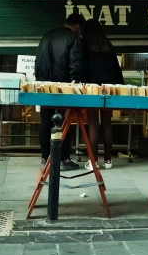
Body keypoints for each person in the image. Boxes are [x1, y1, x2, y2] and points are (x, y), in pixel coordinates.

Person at [35, 13, 85, 170]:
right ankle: (64, 158)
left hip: (43, 84)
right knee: (64, 121)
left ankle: (45, 157)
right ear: (76, 26)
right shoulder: (74, 39)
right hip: (64, 85)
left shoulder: (47, 36)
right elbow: (75, 62)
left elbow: (39, 59)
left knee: (45, 121)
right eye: (80, 29)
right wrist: (75, 81)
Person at [82, 18, 124, 169]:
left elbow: (81, 68)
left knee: (93, 124)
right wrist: (120, 87)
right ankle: (108, 161)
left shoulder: (84, 46)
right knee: (107, 124)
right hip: (109, 87)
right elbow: (117, 69)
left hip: (91, 88)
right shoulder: (108, 45)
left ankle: (93, 162)